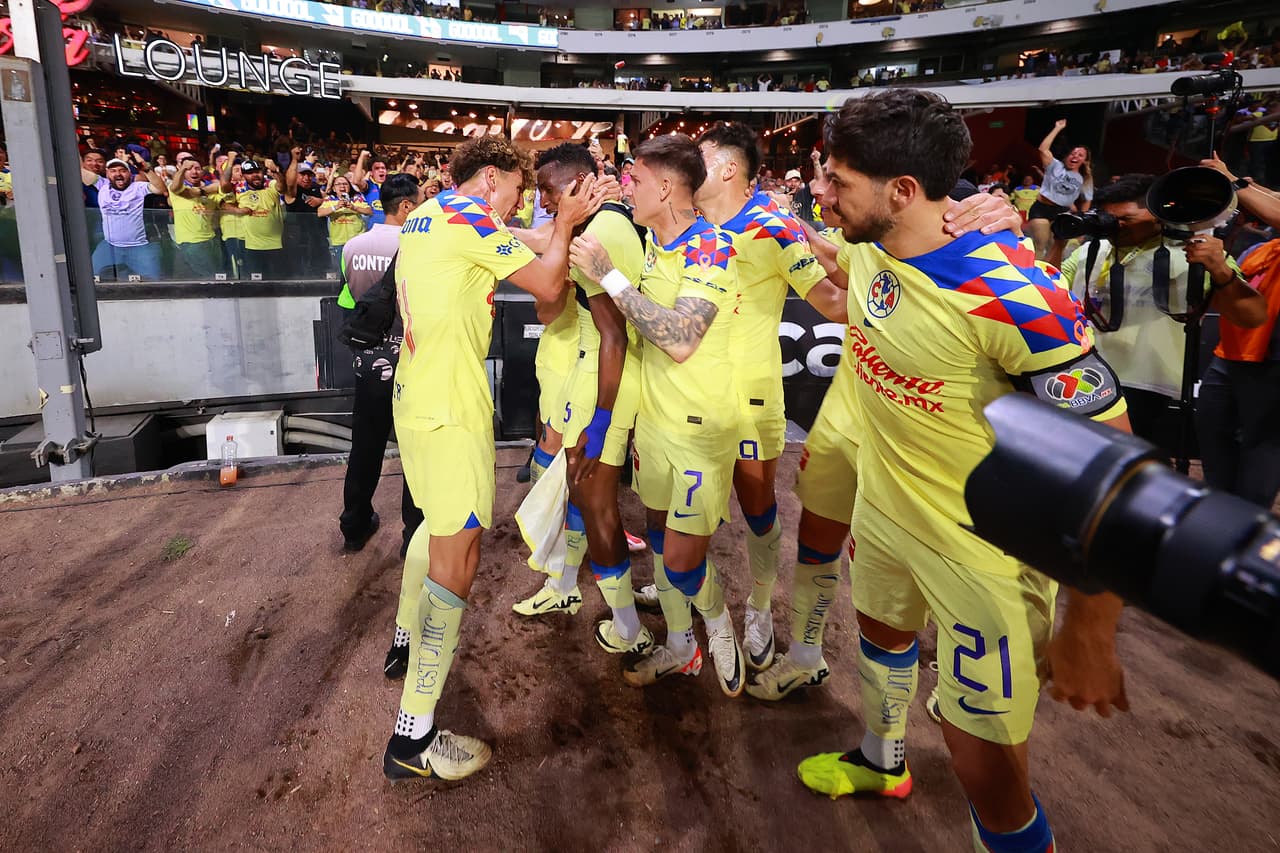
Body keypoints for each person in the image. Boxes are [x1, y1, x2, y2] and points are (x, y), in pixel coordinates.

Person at [798, 89, 1131, 851]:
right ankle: (882, 762)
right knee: (881, 633)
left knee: (985, 768)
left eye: (836, 180)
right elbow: (852, 287)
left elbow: (1116, 462)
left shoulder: (1018, 294)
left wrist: (1092, 621)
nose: (820, 193)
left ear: (902, 191)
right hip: (885, 514)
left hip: (982, 555)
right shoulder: (871, 242)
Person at [383, 135, 605, 782]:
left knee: (433, 524)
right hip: (451, 408)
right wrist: (565, 222)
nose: (515, 208)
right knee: (460, 552)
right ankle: (412, 736)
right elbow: (547, 282)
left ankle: (402, 637)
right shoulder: (476, 217)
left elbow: (517, 244)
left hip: (414, 396)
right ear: (487, 181)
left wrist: (553, 227)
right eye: (512, 194)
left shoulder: (430, 212)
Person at [639, 121, 845, 675]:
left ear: (727, 167)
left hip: (751, 402)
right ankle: (681, 589)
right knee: (670, 517)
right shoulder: (691, 225)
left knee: (757, 510)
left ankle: (758, 606)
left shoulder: (773, 227)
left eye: (700, 153)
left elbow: (831, 301)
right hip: (685, 405)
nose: (688, 159)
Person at [569, 134, 746, 696]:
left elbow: (680, 339)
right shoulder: (651, 246)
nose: (628, 188)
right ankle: (680, 648)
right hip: (654, 425)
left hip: (701, 432)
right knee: (664, 552)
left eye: (636, 180)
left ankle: (717, 625)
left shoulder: (711, 248)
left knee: (687, 562)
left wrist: (608, 275)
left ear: (665, 186)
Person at [510, 143, 650, 657]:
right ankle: (565, 587)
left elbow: (614, 336)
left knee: (597, 504)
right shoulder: (610, 221)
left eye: (549, 190)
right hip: (589, 373)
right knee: (579, 492)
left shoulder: (597, 235)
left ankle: (630, 626)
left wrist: (603, 416)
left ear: (576, 184)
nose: (544, 201)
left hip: (600, 379)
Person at [1059, 174, 1265, 451]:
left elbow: (1252, 316)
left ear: (1158, 215)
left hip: (1153, 387)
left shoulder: (1194, 255)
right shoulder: (1088, 252)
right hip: (1088, 380)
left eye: (1126, 219)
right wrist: (1060, 240)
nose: (1115, 226)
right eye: (1108, 218)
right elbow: (1048, 296)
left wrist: (1219, 269)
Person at [336, 174, 428, 677]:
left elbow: (349, 305)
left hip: (367, 366)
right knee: (412, 452)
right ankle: (413, 535)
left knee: (364, 450)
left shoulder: (353, 244)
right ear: (408, 205)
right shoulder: (417, 242)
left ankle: (354, 525)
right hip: (407, 364)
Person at [1194, 154, 1280, 508]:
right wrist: (1233, 180)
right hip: (1229, 355)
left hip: (1274, 362)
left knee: (1262, 450)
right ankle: (1215, 517)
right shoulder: (1262, 249)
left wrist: (1230, 180)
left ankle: (1246, 528)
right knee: (1213, 438)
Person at [84, 152, 167, 280]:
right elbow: (79, 170)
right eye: (113, 171)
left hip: (138, 246)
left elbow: (160, 189)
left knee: (154, 281)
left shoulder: (138, 187)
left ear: (129, 174)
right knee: (92, 278)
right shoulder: (101, 184)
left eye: (123, 170)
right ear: (107, 173)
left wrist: (145, 169)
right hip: (109, 245)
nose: (118, 174)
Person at [1026, 119, 1093, 259]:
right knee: (1040, 244)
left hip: (1061, 212)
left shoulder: (1084, 178)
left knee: (1056, 247)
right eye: (1073, 153)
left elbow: (1087, 200)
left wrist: (1082, 223)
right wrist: (1057, 128)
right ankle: (1036, 277)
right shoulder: (1055, 165)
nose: (1075, 156)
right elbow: (1043, 149)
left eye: (1080, 155)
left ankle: (1052, 277)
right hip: (1042, 209)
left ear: (1085, 161)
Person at [220, 153, 286, 279]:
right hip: (251, 245)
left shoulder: (270, 184)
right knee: (255, 280)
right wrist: (237, 210)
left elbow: (282, 187)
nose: (255, 175)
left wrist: (275, 171)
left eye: (257, 171)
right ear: (243, 175)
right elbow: (223, 195)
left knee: (276, 280)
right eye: (250, 173)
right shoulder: (239, 188)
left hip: (276, 243)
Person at [167, 155, 224, 278]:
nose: (194, 171)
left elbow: (224, 187)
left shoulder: (210, 189)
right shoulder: (179, 189)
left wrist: (203, 191)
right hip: (189, 242)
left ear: (202, 171)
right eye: (189, 169)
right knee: (206, 277)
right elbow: (175, 187)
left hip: (211, 240)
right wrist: (182, 169)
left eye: (197, 168)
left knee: (214, 276)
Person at [283, 149, 329, 277]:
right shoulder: (292, 192)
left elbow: (330, 201)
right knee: (300, 271)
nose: (306, 178)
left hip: (317, 235)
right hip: (298, 237)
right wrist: (294, 159)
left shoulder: (316, 189)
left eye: (309, 175)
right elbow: (290, 182)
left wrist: (321, 200)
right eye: (302, 175)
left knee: (320, 269)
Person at [320, 175, 372, 269]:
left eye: (345, 184)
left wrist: (354, 207)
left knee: (357, 270)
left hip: (356, 242)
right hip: (339, 242)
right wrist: (335, 207)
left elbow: (369, 211)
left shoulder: (357, 198)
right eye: (338, 184)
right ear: (334, 188)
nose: (342, 186)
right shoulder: (330, 199)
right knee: (342, 271)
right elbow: (320, 213)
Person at [352, 150, 389, 227]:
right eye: (377, 168)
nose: (381, 170)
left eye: (383, 168)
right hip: (373, 228)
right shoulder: (369, 185)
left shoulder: (392, 185)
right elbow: (356, 181)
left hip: (391, 227)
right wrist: (361, 157)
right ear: (371, 173)